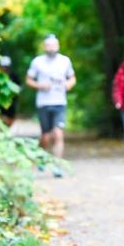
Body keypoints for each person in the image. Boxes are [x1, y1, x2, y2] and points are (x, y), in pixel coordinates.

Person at [26, 34, 76, 178]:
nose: (51, 48)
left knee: (58, 133)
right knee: (46, 136)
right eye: (48, 45)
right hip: (43, 102)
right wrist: (40, 85)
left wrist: (68, 85)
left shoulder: (65, 61)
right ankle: (41, 157)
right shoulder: (37, 62)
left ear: (58, 46)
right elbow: (28, 79)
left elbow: (72, 78)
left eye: (54, 45)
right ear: (44, 46)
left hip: (60, 102)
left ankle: (57, 165)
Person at [0, 55, 21, 128]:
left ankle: (6, 130)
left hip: (11, 101)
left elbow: (18, 89)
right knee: (1, 118)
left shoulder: (14, 76)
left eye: (6, 66)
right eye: (3, 66)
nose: (4, 68)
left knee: (10, 119)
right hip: (0, 101)